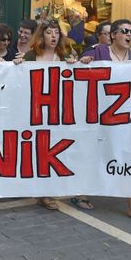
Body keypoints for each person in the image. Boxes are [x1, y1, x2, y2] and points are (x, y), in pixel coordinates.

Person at [78, 19, 131, 225]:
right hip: (101, 114)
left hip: (126, 115)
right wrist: (84, 62)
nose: (129, 35)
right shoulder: (98, 52)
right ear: (113, 35)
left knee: (130, 155)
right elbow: (79, 72)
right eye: (124, 31)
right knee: (98, 152)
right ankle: (83, 192)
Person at [14, 21, 77, 211]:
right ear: (42, 36)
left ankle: (46, 192)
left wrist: (77, 64)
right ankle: (39, 189)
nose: (53, 36)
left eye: (56, 32)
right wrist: (17, 65)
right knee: (38, 148)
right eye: (49, 32)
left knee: (53, 150)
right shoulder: (32, 55)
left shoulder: (65, 56)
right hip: (35, 110)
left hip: (58, 111)